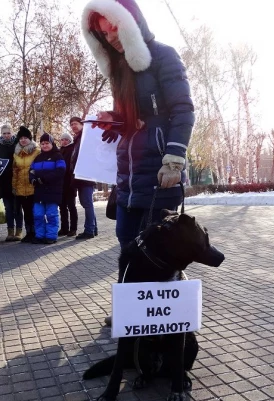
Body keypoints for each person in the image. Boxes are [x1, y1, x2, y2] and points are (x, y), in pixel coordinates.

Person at [82, 0, 195, 248]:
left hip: (159, 176)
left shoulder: (164, 55)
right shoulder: (119, 70)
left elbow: (183, 109)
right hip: (127, 181)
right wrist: (115, 120)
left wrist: (174, 160)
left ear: (132, 20)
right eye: (103, 33)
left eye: (113, 26)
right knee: (127, 245)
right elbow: (135, 118)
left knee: (160, 255)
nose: (110, 36)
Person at [29, 133, 66, 244]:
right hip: (39, 191)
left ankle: (51, 236)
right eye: (42, 143)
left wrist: (44, 179)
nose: (44, 145)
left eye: (47, 143)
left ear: (52, 143)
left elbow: (61, 171)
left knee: (51, 215)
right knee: (38, 214)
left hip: (53, 191)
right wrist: (32, 179)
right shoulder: (38, 158)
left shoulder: (57, 156)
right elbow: (31, 171)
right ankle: (39, 235)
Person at [69, 116, 97, 240]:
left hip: (86, 176)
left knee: (87, 204)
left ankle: (89, 230)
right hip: (81, 177)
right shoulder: (78, 138)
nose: (73, 126)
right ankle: (93, 229)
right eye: (71, 125)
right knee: (87, 204)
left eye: (75, 123)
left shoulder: (85, 136)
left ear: (81, 124)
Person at [0, 124, 21, 242]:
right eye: (4, 133)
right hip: (3, 182)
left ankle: (19, 231)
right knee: (8, 209)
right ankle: (10, 231)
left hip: (16, 180)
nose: (6, 135)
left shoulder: (18, 144)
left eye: (8, 133)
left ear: (12, 133)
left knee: (17, 208)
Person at [13, 126, 39, 243]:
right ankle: (28, 233)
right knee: (26, 212)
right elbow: (14, 172)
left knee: (35, 212)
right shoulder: (16, 154)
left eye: (25, 137)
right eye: (21, 138)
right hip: (20, 188)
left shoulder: (37, 151)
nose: (23, 140)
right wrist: (14, 186)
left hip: (33, 187)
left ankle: (36, 233)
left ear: (30, 138)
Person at [59, 131, 78, 237]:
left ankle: (73, 228)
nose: (64, 141)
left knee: (71, 206)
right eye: (62, 139)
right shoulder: (59, 151)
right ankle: (64, 228)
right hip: (61, 184)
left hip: (70, 183)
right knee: (62, 207)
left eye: (66, 139)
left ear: (69, 140)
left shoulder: (72, 150)